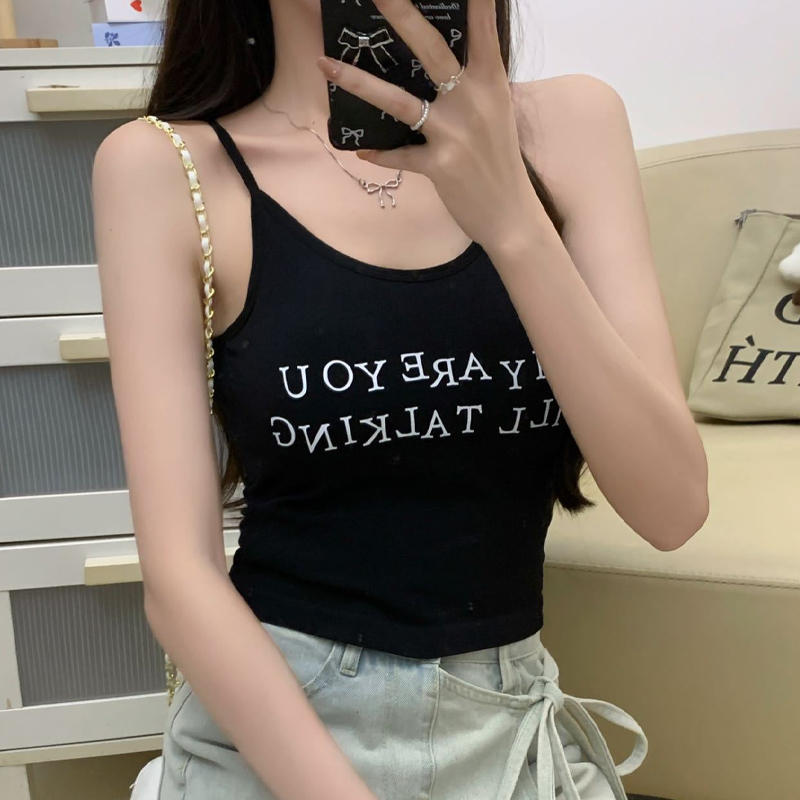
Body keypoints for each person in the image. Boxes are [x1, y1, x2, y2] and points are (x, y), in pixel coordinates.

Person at [92, 0, 709, 797]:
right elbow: (181, 579)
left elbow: (671, 508)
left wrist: (512, 219)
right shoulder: (165, 166)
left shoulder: (570, 127)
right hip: (279, 737)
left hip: (509, 729)